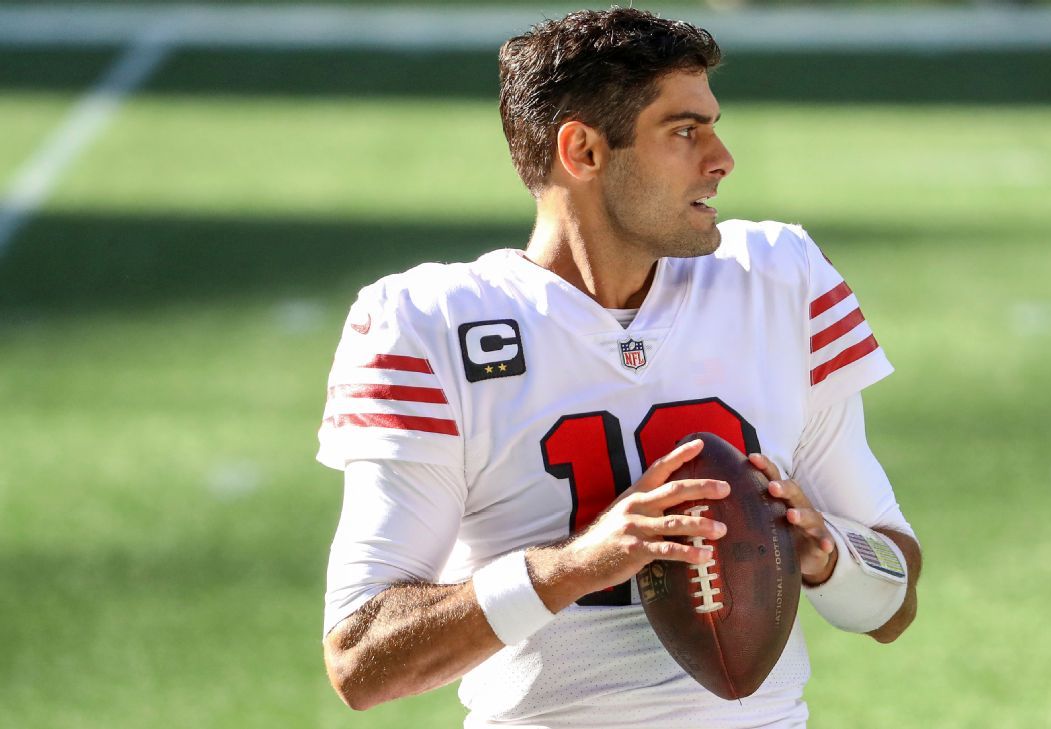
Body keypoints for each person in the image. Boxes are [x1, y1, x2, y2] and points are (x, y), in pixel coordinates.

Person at [317, 8, 921, 728]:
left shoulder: (778, 277)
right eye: (685, 131)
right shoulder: (429, 321)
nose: (722, 159)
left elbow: (895, 601)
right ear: (583, 151)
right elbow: (361, 659)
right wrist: (573, 566)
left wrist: (831, 556)